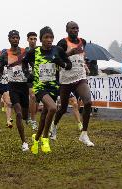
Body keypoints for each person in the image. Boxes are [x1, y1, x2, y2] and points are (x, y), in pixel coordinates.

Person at [23, 26, 72, 154]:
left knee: (45, 115)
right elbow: (24, 63)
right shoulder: (34, 52)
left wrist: (60, 62)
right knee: (53, 108)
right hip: (40, 87)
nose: (49, 40)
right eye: (46, 37)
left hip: (53, 87)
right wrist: (28, 75)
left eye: (51, 37)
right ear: (41, 39)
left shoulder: (58, 50)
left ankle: (36, 139)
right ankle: (45, 138)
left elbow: (68, 65)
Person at [50, 21, 94, 147]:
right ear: (67, 30)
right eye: (72, 28)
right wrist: (69, 53)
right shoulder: (62, 43)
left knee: (88, 102)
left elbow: (81, 57)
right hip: (66, 80)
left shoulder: (83, 42)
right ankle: (54, 125)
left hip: (80, 77)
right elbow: (56, 59)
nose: (75, 30)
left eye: (77, 28)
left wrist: (84, 65)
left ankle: (84, 134)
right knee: (63, 108)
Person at [0, 30, 29, 151]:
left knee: (25, 115)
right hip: (13, 86)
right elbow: (0, 69)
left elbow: (31, 64)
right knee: (19, 114)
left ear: (19, 39)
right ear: (9, 39)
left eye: (17, 37)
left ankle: (27, 120)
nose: (15, 39)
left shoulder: (25, 52)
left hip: (24, 86)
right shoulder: (5, 54)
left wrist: (30, 75)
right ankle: (24, 142)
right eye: (13, 38)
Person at [25, 32, 38, 130]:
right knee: (32, 96)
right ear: (27, 40)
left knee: (36, 99)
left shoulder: (39, 50)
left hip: (39, 77)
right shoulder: (25, 51)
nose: (33, 41)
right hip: (27, 78)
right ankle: (33, 120)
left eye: (35, 39)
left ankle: (30, 116)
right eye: (31, 39)